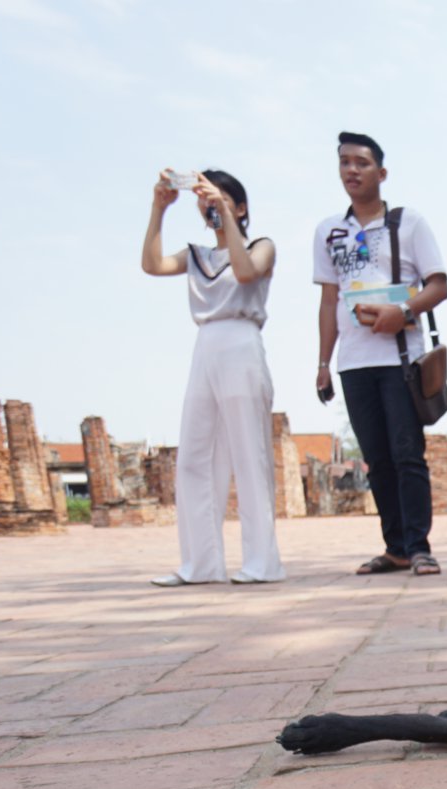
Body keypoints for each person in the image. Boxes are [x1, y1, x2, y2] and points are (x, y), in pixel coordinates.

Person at [312, 131, 447, 577]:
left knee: (407, 453)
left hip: (400, 358)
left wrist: (403, 310)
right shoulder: (329, 231)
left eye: (362, 163)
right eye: (344, 162)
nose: (352, 170)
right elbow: (329, 301)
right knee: (376, 459)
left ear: (381, 173)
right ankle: (395, 548)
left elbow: (440, 284)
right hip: (353, 362)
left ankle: (419, 546)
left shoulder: (409, 223)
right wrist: (322, 364)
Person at [140, 167, 285, 586]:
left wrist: (224, 210)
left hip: (242, 342)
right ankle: (199, 564)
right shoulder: (197, 256)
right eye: (204, 199)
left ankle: (263, 562)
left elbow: (244, 272)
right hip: (205, 345)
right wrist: (159, 209)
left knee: (249, 454)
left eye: (219, 198)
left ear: (240, 207)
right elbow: (151, 265)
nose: (209, 204)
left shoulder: (262, 246)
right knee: (194, 456)